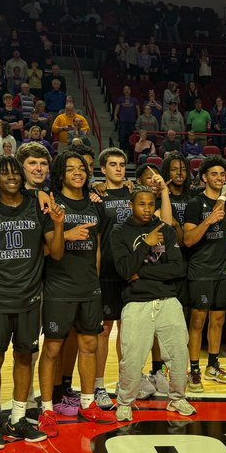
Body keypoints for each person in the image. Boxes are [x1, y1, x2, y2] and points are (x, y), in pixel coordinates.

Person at [0, 155, 65, 449]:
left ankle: (17, 418)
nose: (12, 177)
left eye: (15, 172)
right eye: (4, 174)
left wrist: (59, 224)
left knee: (25, 357)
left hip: (30, 297)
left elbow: (57, 251)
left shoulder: (36, 206)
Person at [109, 189, 197, 421]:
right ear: (131, 205)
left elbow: (177, 269)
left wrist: (141, 272)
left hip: (168, 300)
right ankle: (125, 402)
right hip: (136, 302)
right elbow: (125, 270)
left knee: (179, 353)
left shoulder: (166, 230)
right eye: (141, 204)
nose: (147, 209)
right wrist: (145, 245)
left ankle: (177, 399)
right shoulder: (119, 232)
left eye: (150, 204)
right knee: (132, 358)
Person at [37, 152, 105, 435]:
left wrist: (95, 279)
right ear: (60, 174)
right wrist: (66, 232)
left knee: (89, 344)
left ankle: (88, 402)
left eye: (82, 168)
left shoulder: (94, 204)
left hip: (89, 287)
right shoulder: (51, 204)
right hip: (59, 287)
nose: (78, 172)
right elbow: (50, 252)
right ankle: (47, 409)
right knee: (53, 348)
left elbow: (97, 247)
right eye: (71, 169)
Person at [182, 156, 226, 389]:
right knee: (198, 321)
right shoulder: (195, 203)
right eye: (214, 174)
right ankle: (193, 369)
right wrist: (209, 220)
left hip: (222, 270)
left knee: (219, 320)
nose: (220, 178)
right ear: (204, 178)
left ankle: (212, 364)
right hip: (200, 270)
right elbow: (188, 240)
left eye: (222, 174)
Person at [91, 147, 134, 410]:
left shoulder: (133, 192)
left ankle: (124, 381)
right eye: (113, 164)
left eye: (121, 164)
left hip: (130, 270)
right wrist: (94, 274)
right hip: (106, 270)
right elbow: (96, 238)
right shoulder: (96, 196)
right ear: (103, 169)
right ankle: (99, 385)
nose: (118, 168)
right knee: (104, 329)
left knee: (127, 330)